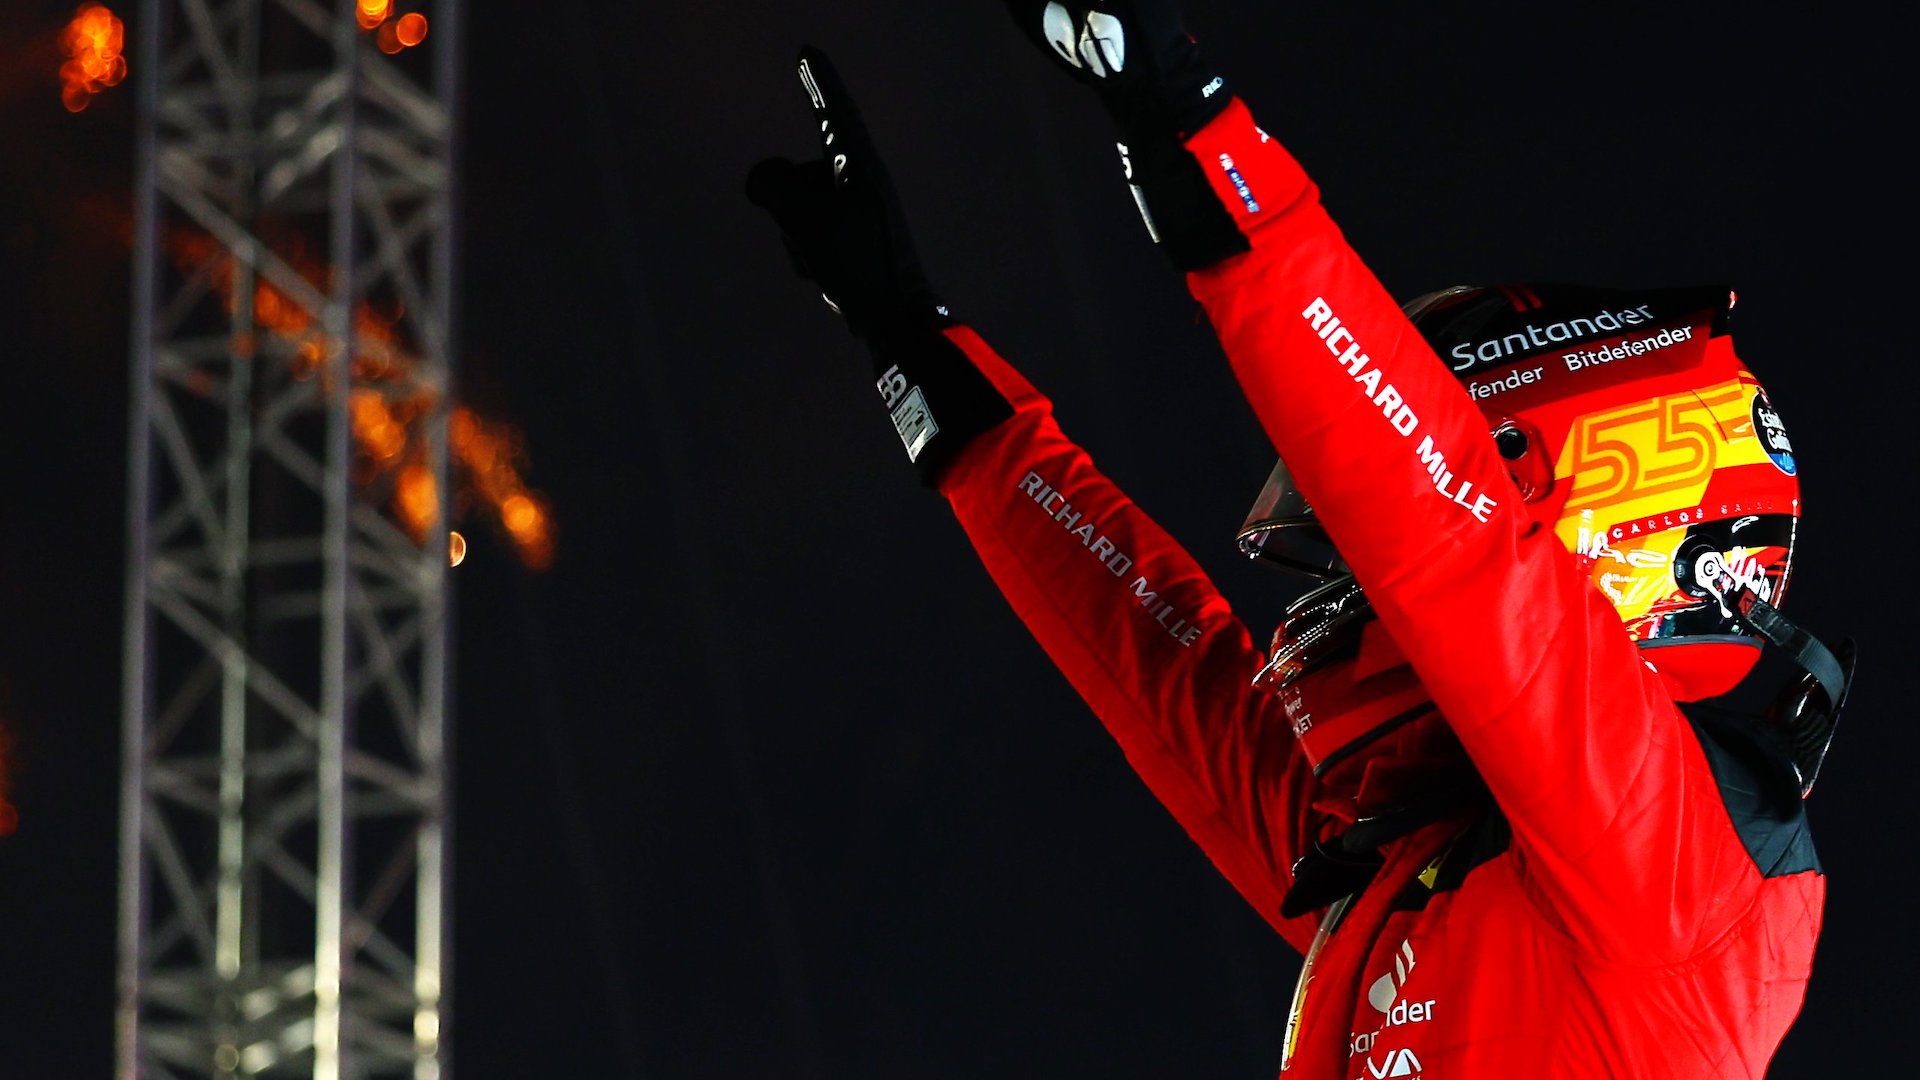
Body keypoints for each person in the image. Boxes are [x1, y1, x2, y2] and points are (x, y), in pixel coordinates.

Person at [745, 4, 1854, 1074]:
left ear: (1592, 514)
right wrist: (914, 348)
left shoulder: (1675, 878)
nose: (1333, 592)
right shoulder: (1425, 862)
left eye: (1353, 549)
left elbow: (1449, 546)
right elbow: (1170, 670)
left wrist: (1190, 118)